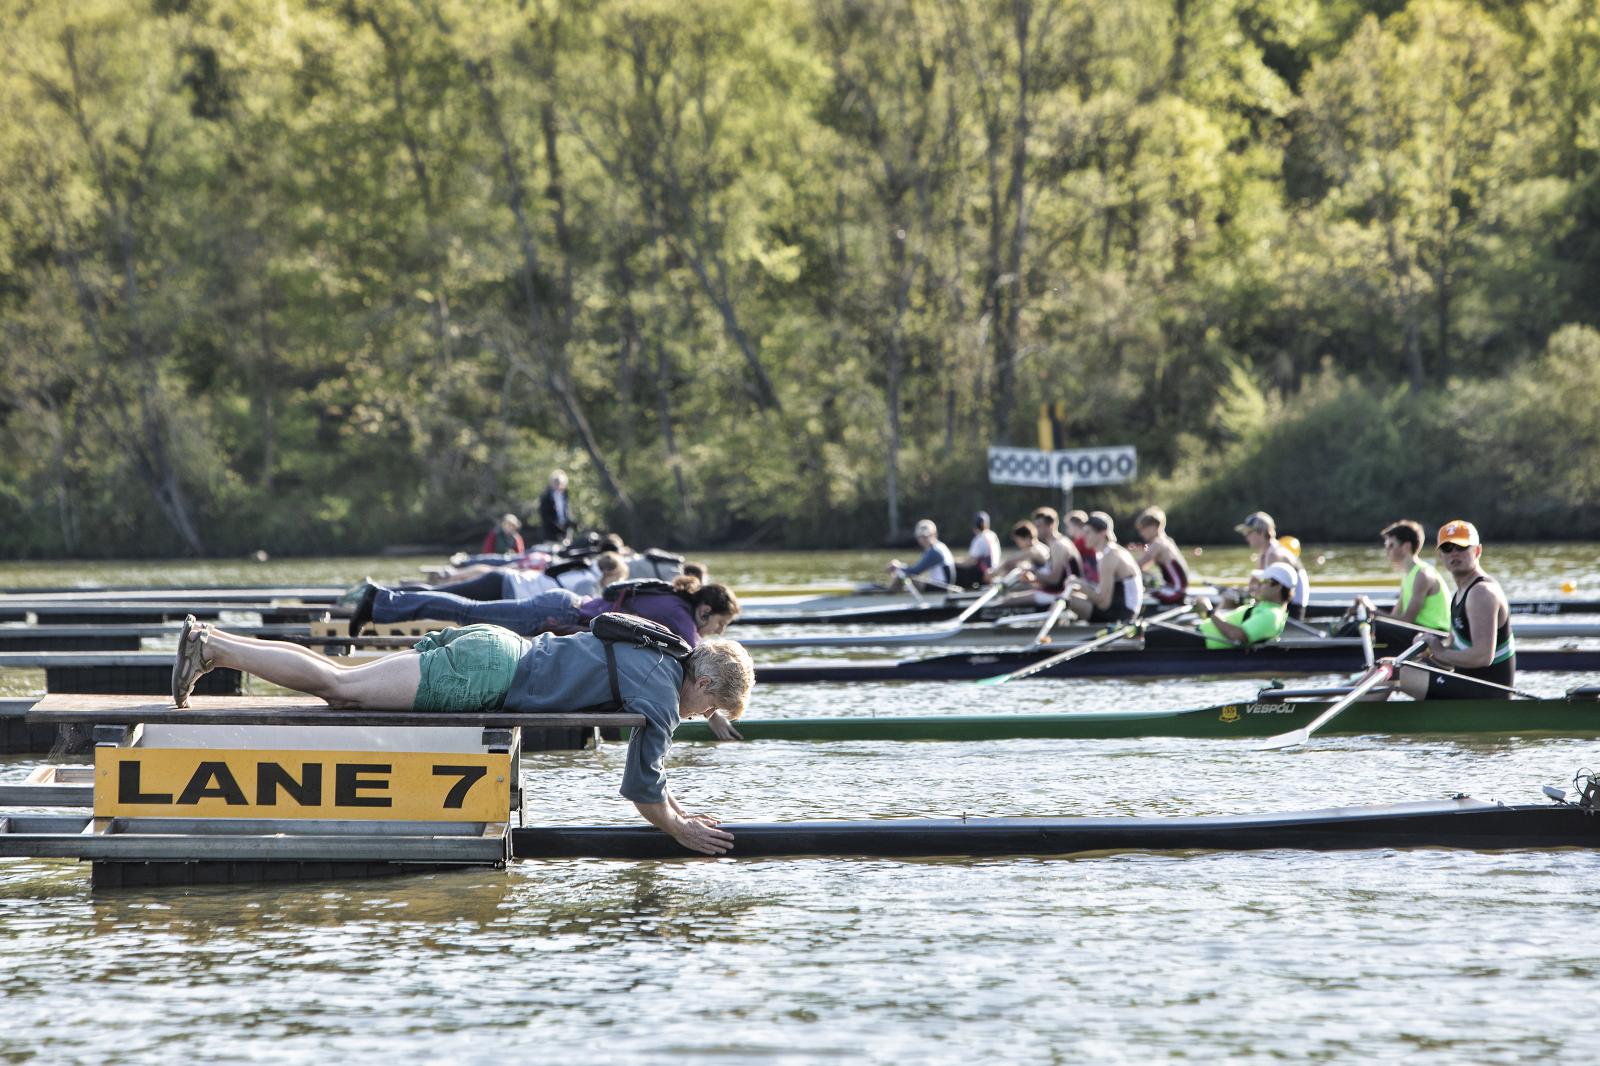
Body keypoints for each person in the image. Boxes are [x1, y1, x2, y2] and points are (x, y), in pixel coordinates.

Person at [171, 617, 754, 855]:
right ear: (702, 679)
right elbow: (641, 787)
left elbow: (654, 779)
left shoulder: (662, 654)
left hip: (494, 646)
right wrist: (680, 828)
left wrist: (682, 810)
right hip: (488, 675)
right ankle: (214, 648)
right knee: (338, 688)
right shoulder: (662, 694)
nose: (701, 714)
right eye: (709, 706)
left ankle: (215, 643)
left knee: (341, 680)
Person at [1397, 520, 1517, 701]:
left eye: (1461, 547)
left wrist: (1439, 652)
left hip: (1488, 693)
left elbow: (1483, 656)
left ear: (1477, 551)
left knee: (1396, 673)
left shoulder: (1481, 592)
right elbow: (1454, 646)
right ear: (1440, 556)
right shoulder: (1461, 592)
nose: (1454, 553)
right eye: (1447, 548)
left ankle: (1356, 724)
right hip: (1467, 681)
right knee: (1389, 666)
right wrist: (1429, 645)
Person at [1359, 520, 1449, 636]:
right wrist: (1369, 611)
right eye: (1386, 545)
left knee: (1367, 628)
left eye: (1391, 545)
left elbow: (1407, 621)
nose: (1387, 550)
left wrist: (1372, 610)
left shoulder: (1423, 575)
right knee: (1362, 626)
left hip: (1434, 635)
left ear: (1406, 547)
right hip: (1419, 632)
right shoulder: (1409, 575)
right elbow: (1394, 618)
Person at [1189, 562, 1294, 649]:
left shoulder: (1272, 615)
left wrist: (1209, 612)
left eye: (1264, 581)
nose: (1259, 585)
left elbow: (1238, 636)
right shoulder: (1267, 607)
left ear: (1278, 587)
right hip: (1201, 637)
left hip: (1203, 642)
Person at [1063, 512, 1142, 623]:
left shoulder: (1109, 557)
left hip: (1121, 615)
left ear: (1102, 533)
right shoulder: (1111, 551)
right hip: (1121, 609)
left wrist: (1081, 587)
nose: (1083, 536)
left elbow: (1103, 603)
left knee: (1068, 600)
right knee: (1071, 594)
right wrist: (1081, 585)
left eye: (1088, 532)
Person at [1235, 511, 1310, 619]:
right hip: (1280, 606)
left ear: (1262, 532)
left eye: (1249, 533)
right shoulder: (1264, 554)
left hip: (1292, 611)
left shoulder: (1275, 554)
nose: (1246, 537)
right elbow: (1255, 584)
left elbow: (1271, 592)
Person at [1005, 508, 1082, 606]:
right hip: (1060, 591)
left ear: (1051, 525)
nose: (1036, 530)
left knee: (1010, 599)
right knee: (1012, 596)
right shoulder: (1057, 542)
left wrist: (1033, 572)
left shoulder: (1058, 545)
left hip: (1064, 595)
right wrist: (1032, 578)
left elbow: (1055, 580)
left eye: (1039, 526)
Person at [1133, 506, 1189, 605]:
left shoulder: (1158, 543)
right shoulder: (1167, 541)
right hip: (1178, 588)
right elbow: (1143, 568)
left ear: (1154, 526)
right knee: (1146, 579)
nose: (1141, 534)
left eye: (1143, 529)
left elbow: (1137, 566)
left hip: (1175, 591)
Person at [887, 519, 956, 590]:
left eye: (927, 536)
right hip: (941, 585)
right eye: (921, 536)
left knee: (902, 577)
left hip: (942, 588)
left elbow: (915, 571)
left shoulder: (935, 552)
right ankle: (891, 591)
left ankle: (888, 595)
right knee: (904, 577)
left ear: (934, 534)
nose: (924, 539)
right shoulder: (938, 546)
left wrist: (898, 567)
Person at [991, 520, 1050, 584]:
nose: (1018, 545)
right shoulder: (1038, 547)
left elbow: (1011, 561)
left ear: (1027, 538)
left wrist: (994, 572)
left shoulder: (1036, 550)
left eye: (1018, 541)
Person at [956, 512, 1003, 588]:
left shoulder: (980, 538)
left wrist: (955, 562)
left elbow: (970, 561)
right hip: (996, 571)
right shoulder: (993, 535)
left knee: (956, 568)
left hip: (986, 575)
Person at [537, 471, 572, 544]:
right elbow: (545, 517)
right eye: (556, 483)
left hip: (564, 535)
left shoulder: (564, 495)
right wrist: (558, 528)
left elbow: (566, 514)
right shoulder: (546, 497)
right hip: (551, 535)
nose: (559, 486)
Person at [1064, 510, 1098, 584]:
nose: (1067, 529)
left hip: (1090, 577)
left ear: (1075, 525)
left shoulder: (1081, 541)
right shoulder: (1081, 540)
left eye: (1068, 526)